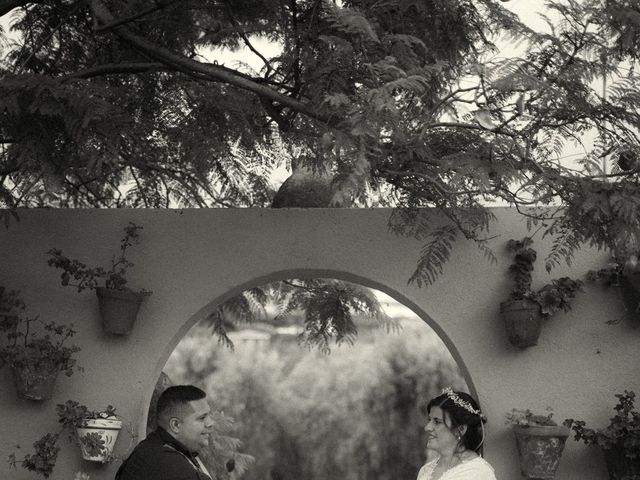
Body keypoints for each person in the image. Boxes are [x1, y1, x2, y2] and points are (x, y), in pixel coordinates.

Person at [115, 385, 215, 480]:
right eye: (202, 418)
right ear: (175, 425)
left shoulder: (156, 447)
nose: (210, 423)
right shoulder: (163, 460)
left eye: (209, 415)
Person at [416, 387, 497, 480]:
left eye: (437, 422)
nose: (427, 428)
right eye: (429, 420)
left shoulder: (477, 473)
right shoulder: (426, 470)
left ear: (460, 430)